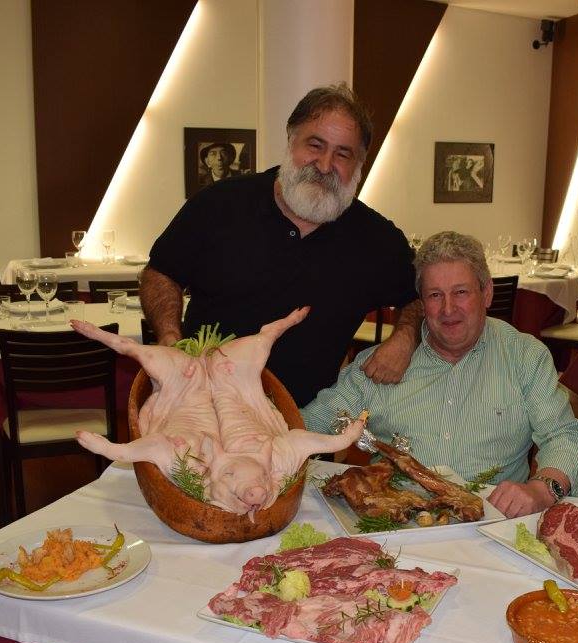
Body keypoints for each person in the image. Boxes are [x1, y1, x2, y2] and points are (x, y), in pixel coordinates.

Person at [141, 83, 423, 405]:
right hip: (201, 403)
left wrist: (404, 337)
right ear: (291, 138)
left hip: (306, 419)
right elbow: (161, 271)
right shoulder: (219, 205)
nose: (325, 164)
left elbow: (416, 296)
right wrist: (169, 336)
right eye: (315, 145)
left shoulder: (376, 239)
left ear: (360, 163)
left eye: (343, 154)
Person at [303, 231, 578, 518]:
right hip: (396, 521)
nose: (448, 309)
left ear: (487, 293)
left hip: (492, 521)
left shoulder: (525, 357)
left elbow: (565, 435)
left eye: (461, 292)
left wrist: (542, 488)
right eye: (435, 295)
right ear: (421, 302)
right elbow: (313, 422)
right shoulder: (382, 364)